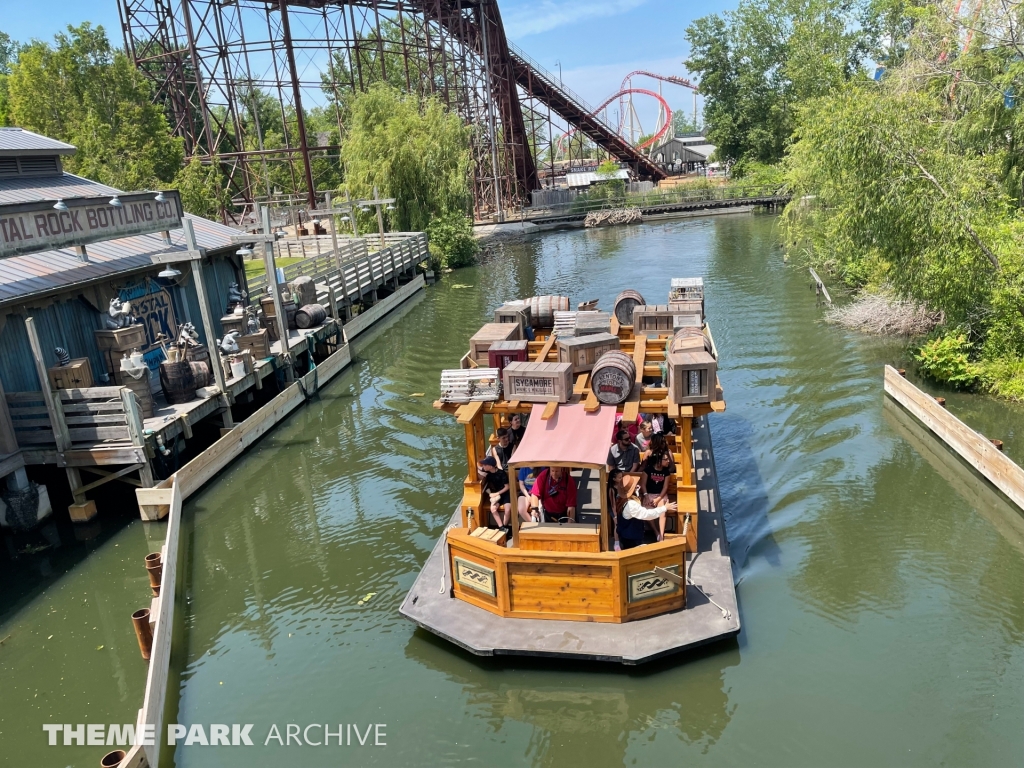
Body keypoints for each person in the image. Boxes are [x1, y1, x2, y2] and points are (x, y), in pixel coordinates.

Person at [608, 469, 677, 549]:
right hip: (632, 539)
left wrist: (635, 491)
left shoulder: (621, 499)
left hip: (626, 536)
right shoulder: (631, 505)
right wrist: (664, 508)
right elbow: (647, 514)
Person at [478, 457, 511, 531]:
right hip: (497, 496)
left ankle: (505, 526)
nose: (483, 466)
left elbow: (507, 487)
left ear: (490, 466)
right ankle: (501, 527)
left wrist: (496, 494)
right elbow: (480, 471)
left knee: (508, 509)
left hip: (505, 494)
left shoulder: (501, 473)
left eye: (485, 465)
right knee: (493, 508)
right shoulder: (488, 474)